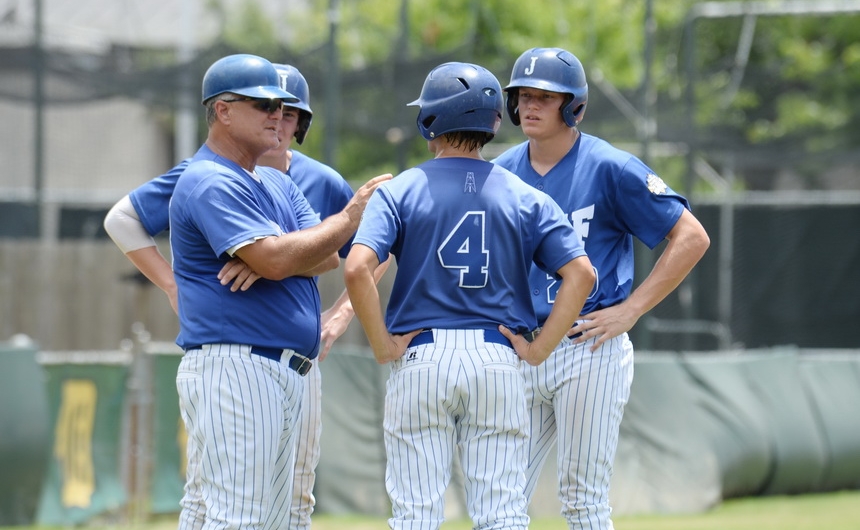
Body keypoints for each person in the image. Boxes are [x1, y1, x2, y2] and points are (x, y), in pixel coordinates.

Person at [104, 59, 383, 529]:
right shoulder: (208, 178)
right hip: (237, 364)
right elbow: (282, 256)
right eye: (262, 105)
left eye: (280, 106)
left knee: (255, 516)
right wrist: (337, 224)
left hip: (279, 365)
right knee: (241, 518)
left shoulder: (273, 180)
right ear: (224, 111)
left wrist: (273, 258)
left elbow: (321, 256)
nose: (277, 115)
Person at [343, 61, 595, 530]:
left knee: (416, 513)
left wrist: (381, 344)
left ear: (430, 120)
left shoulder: (399, 190)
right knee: (501, 514)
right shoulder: (524, 194)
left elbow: (357, 268)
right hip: (497, 358)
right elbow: (581, 274)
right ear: (494, 121)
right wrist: (540, 349)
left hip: (422, 355)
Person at [492, 47, 711, 529]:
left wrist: (631, 310)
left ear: (574, 106)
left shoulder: (610, 166)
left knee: (582, 500)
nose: (529, 105)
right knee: (498, 498)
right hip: (521, 345)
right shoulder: (501, 173)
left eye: (545, 97)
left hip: (587, 344)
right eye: (523, 96)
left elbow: (692, 236)